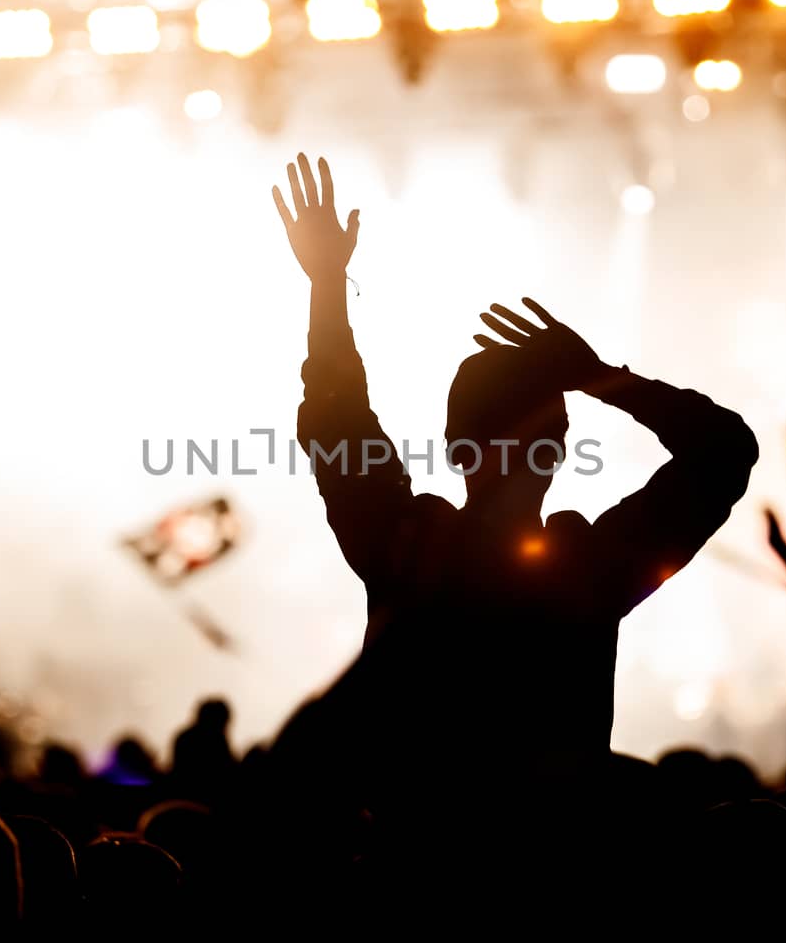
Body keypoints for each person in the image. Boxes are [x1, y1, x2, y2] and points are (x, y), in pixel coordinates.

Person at [269, 154, 759, 821]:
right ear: (558, 447)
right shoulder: (584, 570)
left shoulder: (405, 546)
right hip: (551, 882)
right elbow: (724, 450)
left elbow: (334, 411)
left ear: (453, 445)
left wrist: (327, 282)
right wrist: (601, 377)